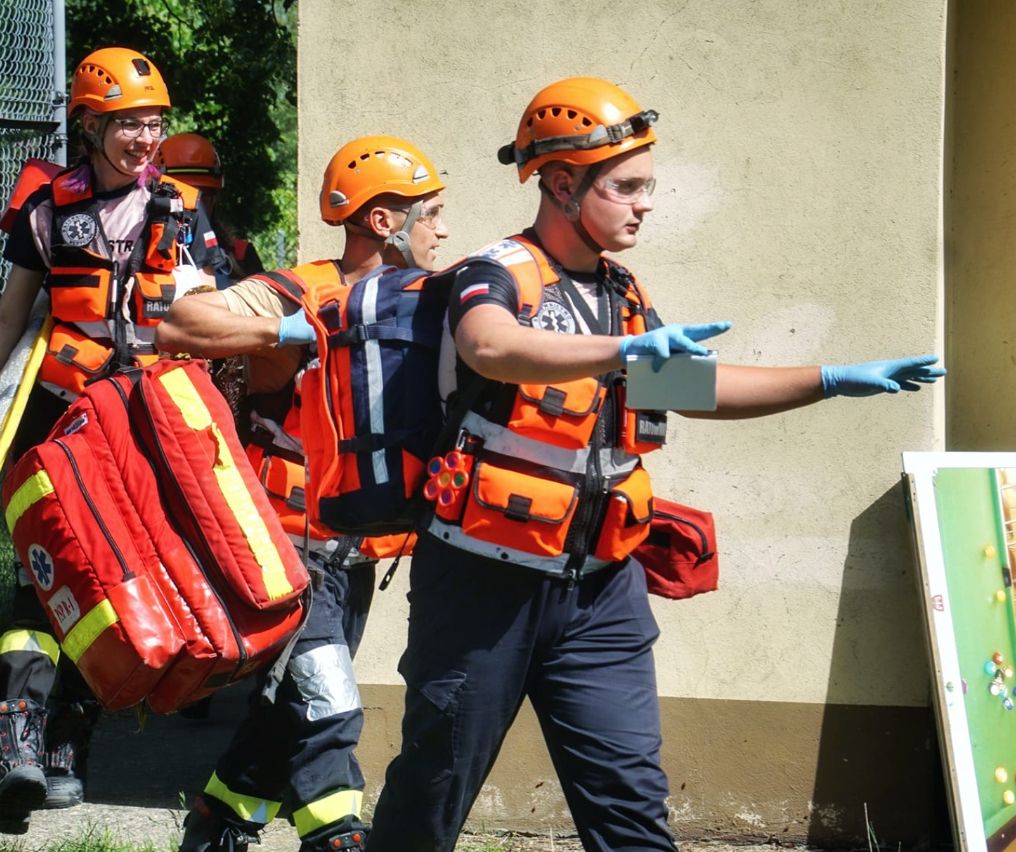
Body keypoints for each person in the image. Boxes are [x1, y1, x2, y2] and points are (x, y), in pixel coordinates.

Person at [364, 77, 946, 852]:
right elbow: (490, 346)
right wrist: (621, 352)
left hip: (602, 588)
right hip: (481, 585)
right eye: (627, 186)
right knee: (430, 799)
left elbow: (695, 388)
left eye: (648, 187)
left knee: (632, 809)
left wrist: (830, 380)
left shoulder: (620, 292)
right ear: (564, 184)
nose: (645, 204)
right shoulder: (493, 271)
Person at [0, 46, 223, 833]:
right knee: (39, 582)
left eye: (154, 123)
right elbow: (7, 320)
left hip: (137, 433)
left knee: (118, 585)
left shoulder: (182, 209)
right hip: (57, 425)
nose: (144, 139)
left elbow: (210, 317)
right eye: (128, 123)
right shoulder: (47, 210)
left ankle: (70, 741)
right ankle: (19, 744)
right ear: (89, 125)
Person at [155, 135, 450, 852]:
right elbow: (181, 323)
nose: (442, 229)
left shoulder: (431, 298)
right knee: (328, 708)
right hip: (288, 545)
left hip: (355, 556)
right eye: (432, 213)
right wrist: (286, 329)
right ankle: (339, 834)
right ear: (384, 222)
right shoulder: (302, 286)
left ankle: (217, 825)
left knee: (290, 706)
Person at [156, 132, 265, 287]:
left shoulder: (240, 255)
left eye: (202, 196)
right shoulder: (142, 250)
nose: (193, 206)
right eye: (181, 196)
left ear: (215, 197)